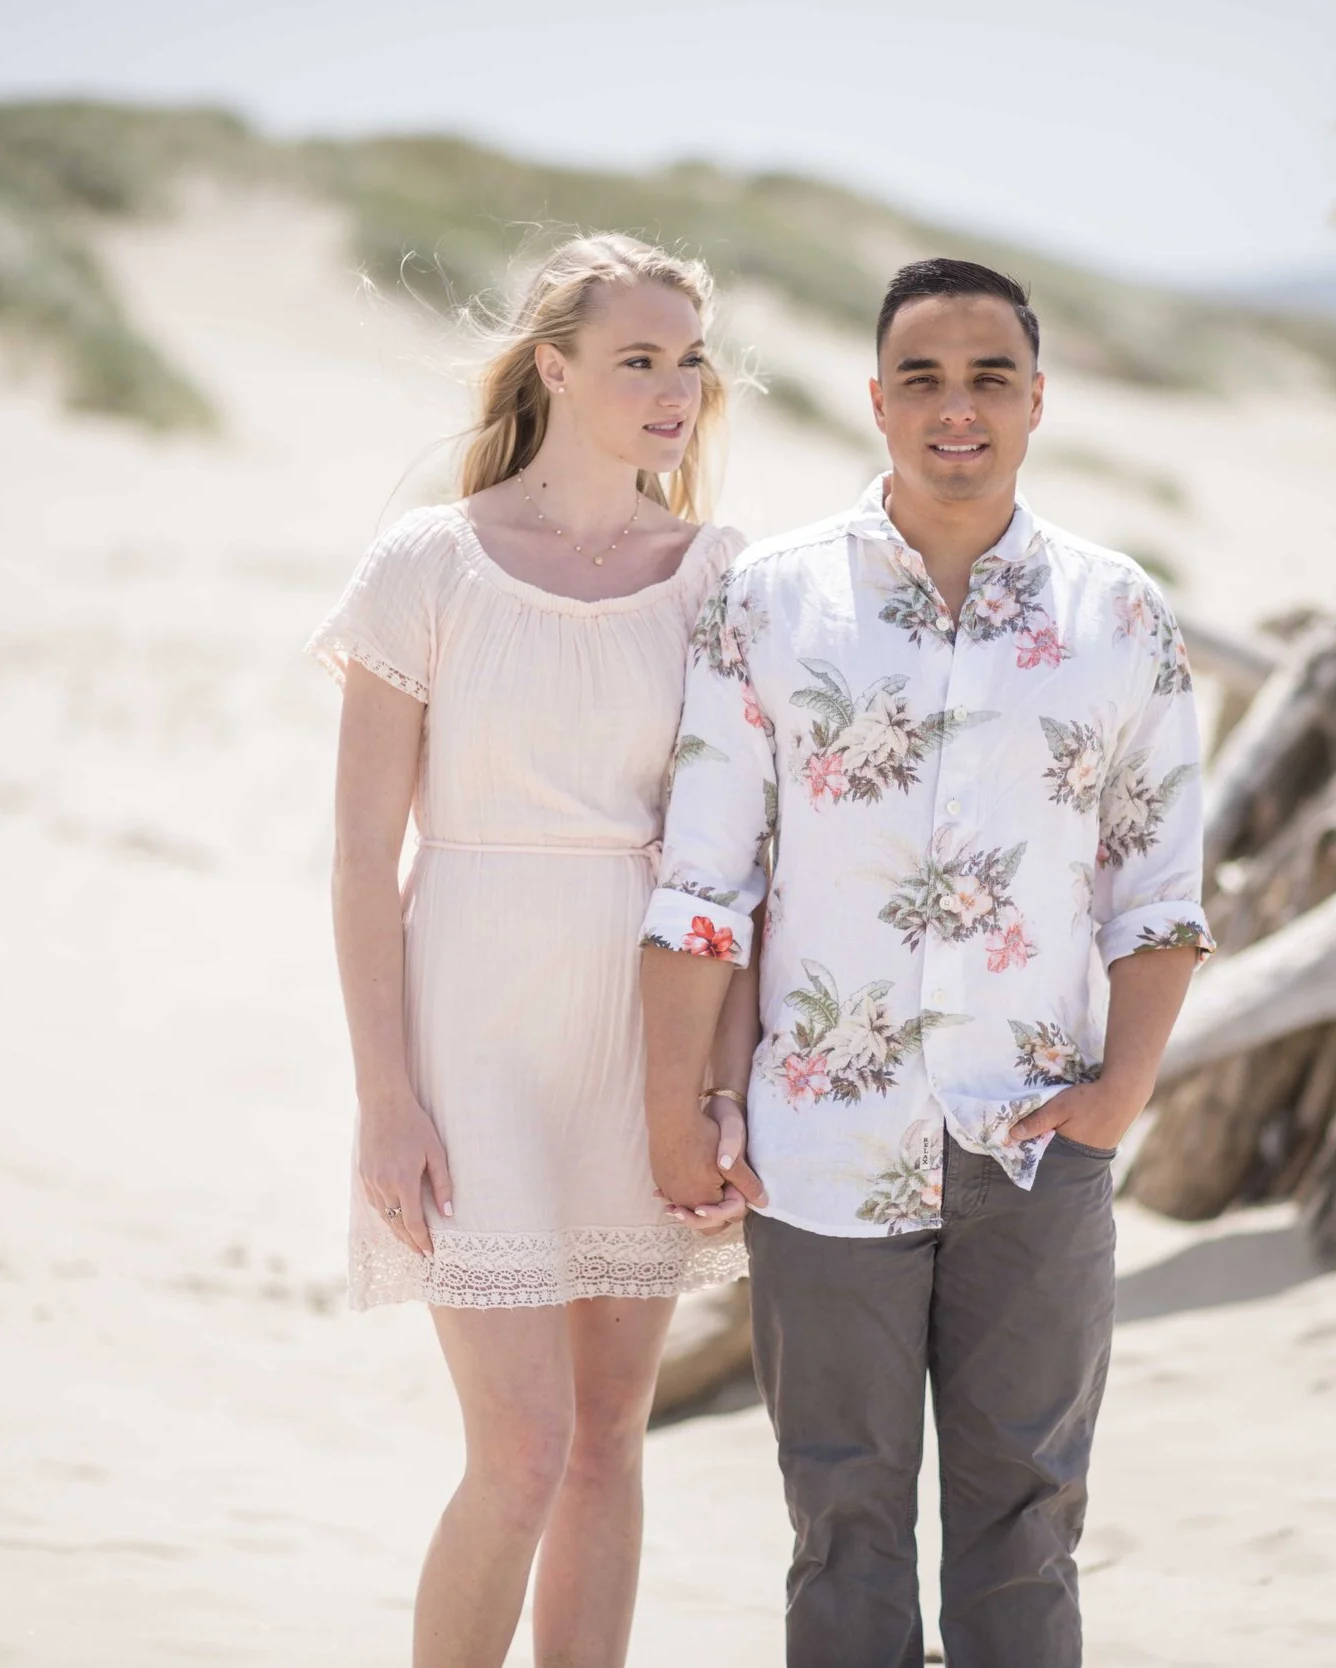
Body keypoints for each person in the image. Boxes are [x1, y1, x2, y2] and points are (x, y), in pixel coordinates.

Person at [639, 257, 1211, 1668]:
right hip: (823, 1146)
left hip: (1039, 1145)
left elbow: (1160, 892)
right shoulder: (768, 603)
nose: (959, 409)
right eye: (927, 380)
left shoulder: (1120, 615)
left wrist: (1116, 1099)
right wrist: (678, 1110)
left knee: (1027, 1523)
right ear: (878, 400)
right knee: (841, 1521)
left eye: (990, 379)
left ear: (1037, 401)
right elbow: (706, 883)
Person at [309, 233, 765, 1668]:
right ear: (554, 368)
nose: (674, 388)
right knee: (518, 1451)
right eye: (639, 358)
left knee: (605, 1448)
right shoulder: (426, 566)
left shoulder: (718, 580)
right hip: (471, 1043)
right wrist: (385, 1099)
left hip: (644, 1040)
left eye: (689, 359)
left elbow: (737, 864)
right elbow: (357, 862)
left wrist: (723, 1082)